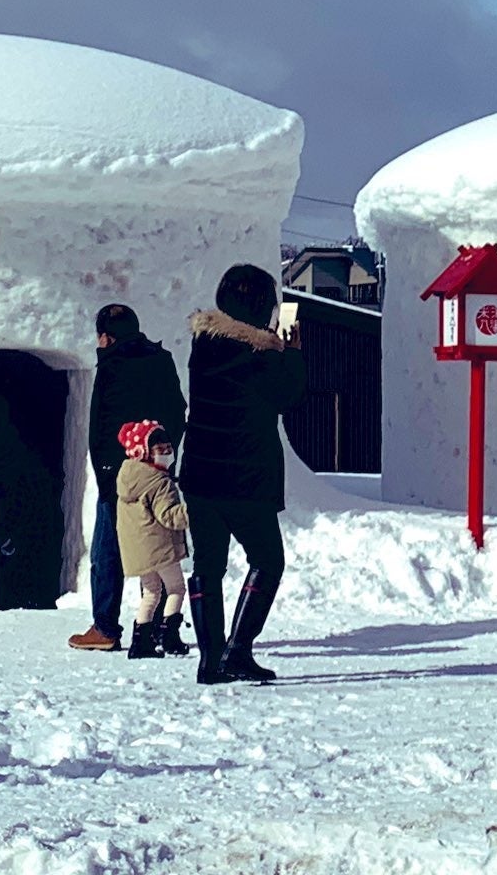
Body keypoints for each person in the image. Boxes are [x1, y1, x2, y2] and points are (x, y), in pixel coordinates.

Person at [180, 264, 307, 683]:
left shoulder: (203, 344)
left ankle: (208, 660)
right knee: (268, 560)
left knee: (207, 566)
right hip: (245, 476)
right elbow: (289, 397)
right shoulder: (261, 355)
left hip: (199, 473)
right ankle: (238, 650)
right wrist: (293, 351)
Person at [70, 303, 185, 651]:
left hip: (122, 477)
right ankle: (162, 627)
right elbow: (177, 410)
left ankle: (105, 627)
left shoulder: (113, 365)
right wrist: (164, 455)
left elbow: (103, 426)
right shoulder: (160, 361)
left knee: (109, 551)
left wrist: (106, 473)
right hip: (157, 471)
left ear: (105, 336)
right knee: (158, 548)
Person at [114, 421, 192, 656]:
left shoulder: (128, 478)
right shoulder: (160, 483)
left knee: (151, 592)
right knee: (176, 588)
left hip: (139, 551)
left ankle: (140, 641)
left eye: (169, 448)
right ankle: (170, 636)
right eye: (161, 450)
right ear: (146, 452)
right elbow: (169, 517)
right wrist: (194, 510)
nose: (168, 454)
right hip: (161, 548)